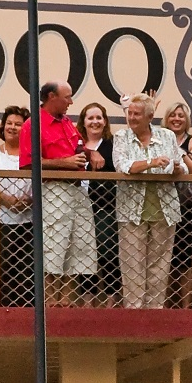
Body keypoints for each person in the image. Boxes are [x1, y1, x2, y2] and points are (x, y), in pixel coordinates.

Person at [18, 80, 97, 302]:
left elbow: (78, 149)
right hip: (54, 189)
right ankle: (50, 302)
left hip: (77, 189)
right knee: (53, 245)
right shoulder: (33, 125)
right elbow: (27, 163)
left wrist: (91, 154)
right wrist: (65, 163)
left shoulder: (67, 123)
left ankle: (67, 300)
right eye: (67, 97)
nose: (71, 101)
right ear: (52, 97)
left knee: (78, 245)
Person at [110, 92, 184, 309]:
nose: (131, 118)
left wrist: (177, 167)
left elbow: (179, 165)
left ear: (149, 117)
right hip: (131, 210)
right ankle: (134, 315)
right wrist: (151, 162)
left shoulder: (168, 136)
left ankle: (155, 314)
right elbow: (122, 165)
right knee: (132, 266)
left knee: (159, 267)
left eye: (136, 114)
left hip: (165, 209)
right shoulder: (121, 137)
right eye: (129, 113)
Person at [163, 102, 192, 303]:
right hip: (163, 202)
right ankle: (165, 303)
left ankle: (186, 304)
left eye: (181, 115)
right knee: (164, 255)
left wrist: (178, 150)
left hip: (188, 206)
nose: (177, 119)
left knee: (185, 256)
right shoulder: (158, 138)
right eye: (173, 115)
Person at [76, 102, 120, 306]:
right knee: (83, 253)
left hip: (105, 207)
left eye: (99, 117)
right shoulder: (75, 144)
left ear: (105, 121)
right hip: (78, 207)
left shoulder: (113, 146)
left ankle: (111, 298)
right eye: (90, 118)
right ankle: (87, 298)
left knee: (107, 250)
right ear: (83, 122)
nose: (95, 121)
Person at [0, 105, 32, 306]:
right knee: (4, 269)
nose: (12, 127)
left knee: (27, 272)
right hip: (0, 222)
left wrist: (28, 202)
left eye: (18, 124)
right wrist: (7, 200)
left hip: (29, 221)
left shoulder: (34, 155)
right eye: (9, 123)